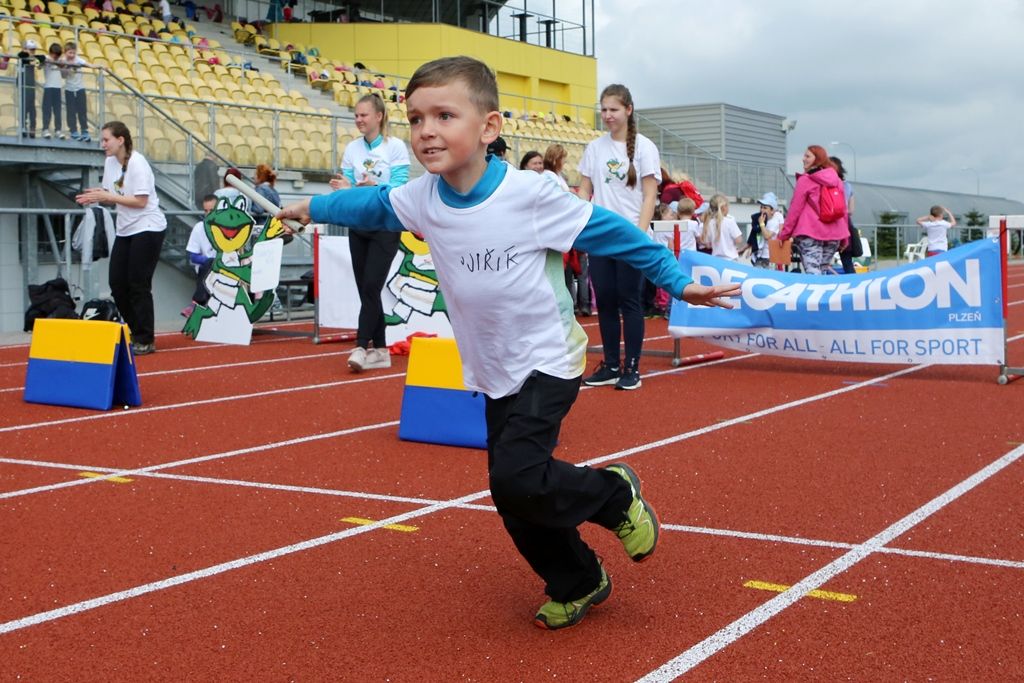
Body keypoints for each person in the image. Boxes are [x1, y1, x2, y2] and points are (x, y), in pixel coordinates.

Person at [276, 56, 739, 631]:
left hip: (548, 358)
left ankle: (613, 494)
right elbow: (370, 204)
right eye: (416, 118)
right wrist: (311, 207)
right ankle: (578, 579)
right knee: (513, 494)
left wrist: (679, 282)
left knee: (517, 477)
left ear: (489, 127)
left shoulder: (530, 194)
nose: (426, 131)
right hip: (492, 368)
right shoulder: (421, 198)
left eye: (445, 115)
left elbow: (617, 234)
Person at [577, 83, 661, 391]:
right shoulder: (594, 148)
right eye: (603, 110)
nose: (608, 115)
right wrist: (580, 224)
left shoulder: (645, 147)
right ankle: (611, 364)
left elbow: (650, 195)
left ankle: (632, 367)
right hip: (601, 238)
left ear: (628, 110)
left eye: (613, 109)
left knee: (630, 301)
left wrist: (639, 234)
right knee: (606, 302)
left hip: (631, 237)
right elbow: (584, 190)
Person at [328, 92, 410, 372]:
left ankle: (361, 346)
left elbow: (400, 188)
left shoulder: (395, 147)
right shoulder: (352, 148)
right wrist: (344, 187)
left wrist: (373, 187)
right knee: (367, 291)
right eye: (356, 115)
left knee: (372, 287)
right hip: (359, 225)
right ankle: (382, 350)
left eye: (363, 115)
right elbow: (347, 186)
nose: (359, 120)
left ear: (379, 116)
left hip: (385, 225)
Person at [75, 121, 167, 355]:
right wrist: (97, 195)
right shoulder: (110, 162)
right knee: (117, 284)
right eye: (102, 140)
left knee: (138, 283)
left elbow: (141, 201)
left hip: (148, 227)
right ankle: (136, 330)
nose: (102, 144)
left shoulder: (137, 163)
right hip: (125, 229)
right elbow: (111, 194)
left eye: (106, 140)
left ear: (120, 140)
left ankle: (145, 338)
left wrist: (107, 196)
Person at [778, 145, 849, 274]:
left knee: (813, 273)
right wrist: (845, 237)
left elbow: (795, 210)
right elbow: (843, 210)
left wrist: (784, 235)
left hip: (810, 233)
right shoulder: (837, 181)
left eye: (807, 156)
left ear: (817, 159)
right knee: (822, 271)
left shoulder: (805, 180)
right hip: (834, 236)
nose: (803, 159)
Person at [183, 193, 218, 317]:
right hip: (207, 268)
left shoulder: (228, 226)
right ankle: (198, 303)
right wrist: (210, 260)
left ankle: (196, 303)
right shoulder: (199, 227)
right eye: (205, 211)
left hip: (226, 267)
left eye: (211, 210)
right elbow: (193, 256)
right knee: (209, 264)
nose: (208, 214)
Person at [830, 156, 862, 273]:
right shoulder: (847, 186)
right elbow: (851, 210)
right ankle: (853, 282)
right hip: (845, 224)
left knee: (823, 260)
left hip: (829, 224)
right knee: (847, 262)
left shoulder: (826, 184)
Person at [700, 194, 744, 262]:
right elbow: (738, 240)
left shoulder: (709, 223)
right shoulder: (730, 221)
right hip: (731, 259)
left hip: (716, 260)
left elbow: (708, 245)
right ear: (724, 207)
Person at [62, 41, 91, 142]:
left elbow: (88, 65)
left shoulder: (78, 59)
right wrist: (68, 67)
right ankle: (73, 131)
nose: (72, 55)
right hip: (69, 89)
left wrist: (99, 66)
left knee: (82, 110)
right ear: (65, 52)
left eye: (73, 53)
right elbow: (63, 75)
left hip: (80, 89)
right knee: (71, 111)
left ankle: (84, 131)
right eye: (70, 53)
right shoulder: (63, 61)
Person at [16, 39, 44, 138]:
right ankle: (23, 127)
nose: (33, 52)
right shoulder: (22, 56)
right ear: (24, 49)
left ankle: (32, 128)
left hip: (31, 85)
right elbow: (21, 55)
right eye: (30, 49)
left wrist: (34, 58)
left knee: (32, 108)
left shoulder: (34, 58)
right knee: (24, 107)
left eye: (34, 50)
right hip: (23, 84)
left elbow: (42, 59)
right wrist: (30, 56)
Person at [749, 192, 783, 268]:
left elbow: (767, 236)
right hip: (759, 256)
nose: (762, 210)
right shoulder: (763, 220)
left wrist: (761, 224)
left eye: (765, 208)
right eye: (761, 207)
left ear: (772, 211)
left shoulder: (774, 221)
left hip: (769, 257)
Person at [41, 43, 65, 140]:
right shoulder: (46, 58)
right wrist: (49, 61)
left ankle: (58, 130)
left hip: (58, 88)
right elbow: (39, 65)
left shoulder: (60, 60)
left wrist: (58, 62)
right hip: (48, 87)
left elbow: (63, 67)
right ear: (50, 52)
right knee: (47, 109)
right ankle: (45, 129)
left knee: (57, 110)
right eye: (54, 54)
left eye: (57, 55)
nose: (56, 57)